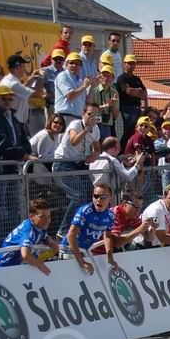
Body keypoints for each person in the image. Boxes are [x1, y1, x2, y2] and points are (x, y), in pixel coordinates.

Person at [0, 84, 33, 245]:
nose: (8, 101)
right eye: (4, 98)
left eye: (10, 98)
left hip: (13, 166)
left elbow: (23, 138)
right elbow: (0, 143)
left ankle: (13, 236)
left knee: (14, 203)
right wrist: (22, 154)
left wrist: (26, 152)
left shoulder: (13, 117)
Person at [53, 102, 101, 239]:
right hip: (63, 163)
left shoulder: (96, 129)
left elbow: (97, 148)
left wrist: (94, 155)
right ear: (83, 115)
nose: (92, 117)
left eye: (96, 115)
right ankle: (63, 230)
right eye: (90, 114)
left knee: (93, 193)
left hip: (79, 163)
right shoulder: (75, 125)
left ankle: (82, 226)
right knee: (78, 195)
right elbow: (74, 141)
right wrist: (87, 129)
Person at [59, 183, 118, 275]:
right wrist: (82, 262)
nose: (99, 200)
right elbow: (71, 235)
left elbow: (107, 236)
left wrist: (110, 257)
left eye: (103, 197)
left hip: (84, 251)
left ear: (111, 198)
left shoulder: (111, 216)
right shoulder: (85, 211)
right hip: (69, 250)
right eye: (96, 196)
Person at [0, 198, 58, 274]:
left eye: (48, 217)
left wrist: (50, 242)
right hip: (3, 269)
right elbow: (25, 255)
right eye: (42, 217)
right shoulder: (28, 230)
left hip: (17, 267)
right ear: (31, 217)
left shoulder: (39, 226)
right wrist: (40, 265)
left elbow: (44, 236)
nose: (47, 221)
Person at [0, 55, 45, 138]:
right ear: (18, 67)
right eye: (24, 66)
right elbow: (39, 94)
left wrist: (32, 79)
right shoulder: (13, 84)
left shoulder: (8, 80)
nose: (25, 69)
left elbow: (22, 90)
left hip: (13, 121)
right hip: (15, 122)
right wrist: (41, 78)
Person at [54, 52, 94, 126]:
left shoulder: (80, 81)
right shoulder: (62, 76)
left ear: (80, 66)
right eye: (71, 63)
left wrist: (93, 87)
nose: (74, 65)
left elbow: (87, 102)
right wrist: (84, 86)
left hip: (78, 118)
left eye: (77, 64)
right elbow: (70, 95)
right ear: (66, 64)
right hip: (64, 117)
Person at [116, 54, 145, 148]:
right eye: (129, 63)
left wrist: (134, 91)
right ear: (124, 64)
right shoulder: (121, 78)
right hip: (127, 109)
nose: (130, 65)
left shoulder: (137, 78)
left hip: (137, 108)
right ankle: (123, 149)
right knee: (129, 130)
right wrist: (138, 91)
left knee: (137, 131)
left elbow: (145, 94)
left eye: (133, 63)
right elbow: (128, 91)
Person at [29, 114, 66, 183]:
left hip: (42, 166)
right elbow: (42, 157)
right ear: (50, 122)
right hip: (30, 165)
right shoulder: (45, 136)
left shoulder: (56, 136)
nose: (58, 125)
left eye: (61, 124)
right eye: (55, 122)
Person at [92, 65, 121, 140]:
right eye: (103, 75)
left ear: (113, 78)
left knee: (106, 150)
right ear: (99, 76)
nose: (106, 78)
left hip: (107, 126)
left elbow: (115, 116)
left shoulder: (115, 92)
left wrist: (112, 105)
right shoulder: (94, 90)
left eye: (108, 76)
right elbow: (90, 110)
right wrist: (106, 105)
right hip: (94, 124)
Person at [41, 48, 66, 121]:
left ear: (64, 60)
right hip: (51, 105)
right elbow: (37, 86)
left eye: (60, 59)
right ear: (51, 59)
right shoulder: (45, 71)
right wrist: (46, 93)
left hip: (63, 106)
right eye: (56, 59)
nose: (58, 61)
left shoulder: (66, 73)